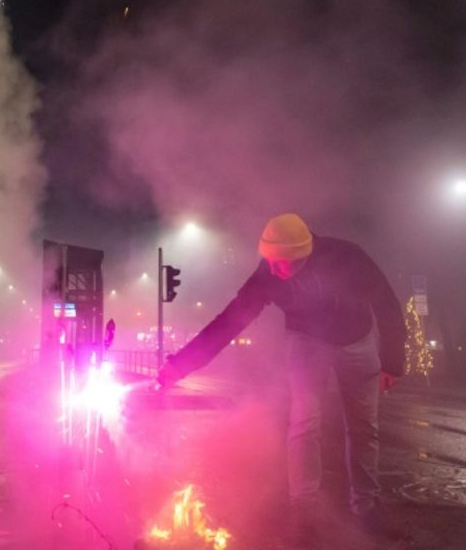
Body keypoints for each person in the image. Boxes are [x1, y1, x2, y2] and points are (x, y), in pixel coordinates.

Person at [156, 213, 406, 538]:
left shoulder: (347, 257)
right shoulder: (268, 273)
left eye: (281, 264)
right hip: (307, 342)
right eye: (269, 261)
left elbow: (386, 302)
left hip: (357, 341)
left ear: (304, 255)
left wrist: (392, 362)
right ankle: (304, 511)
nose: (272, 271)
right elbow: (229, 322)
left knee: (363, 428)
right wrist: (179, 365)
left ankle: (366, 508)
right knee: (304, 421)